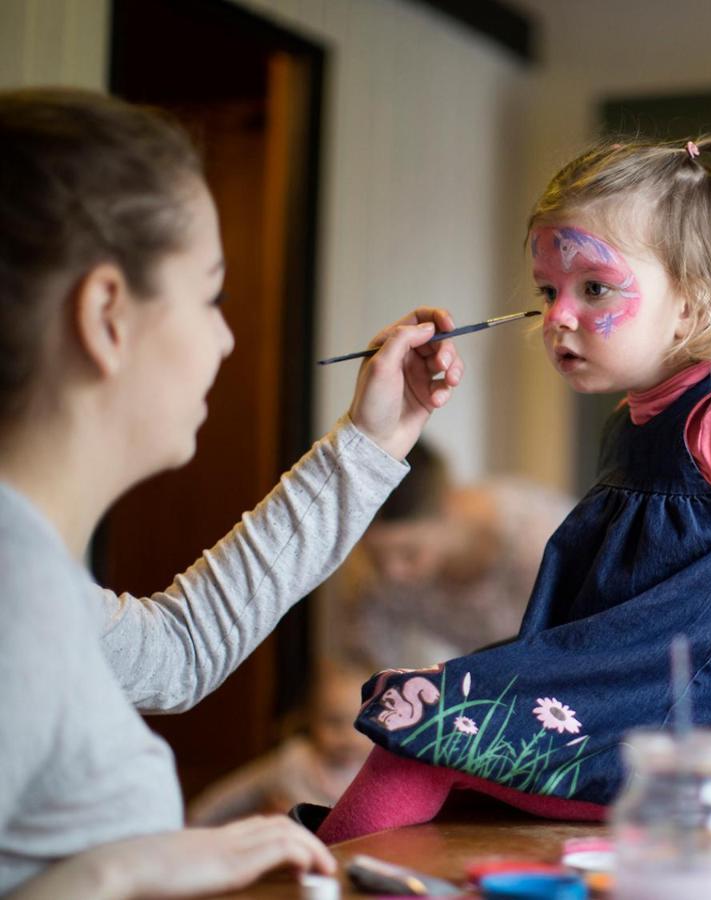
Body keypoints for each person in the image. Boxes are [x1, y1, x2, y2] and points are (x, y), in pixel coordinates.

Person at [317, 135, 711, 843]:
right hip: (638, 719)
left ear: (692, 302)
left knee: (427, 729)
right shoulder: (637, 419)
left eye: (594, 288)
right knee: (434, 754)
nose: (557, 317)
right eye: (548, 291)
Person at [0, 88, 463, 898]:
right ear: (108, 313)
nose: (225, 336)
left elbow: (178, 649)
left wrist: (373, 443)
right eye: (211, 294)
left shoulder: (33, 575)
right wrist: (129, 869)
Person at [316, 440, 574, 670]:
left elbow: (576, 650)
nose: (393, 573)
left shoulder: (540, 541)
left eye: (409, 552)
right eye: (374, 555)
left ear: (449, 505)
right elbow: (364, 663)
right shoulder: (378, 576)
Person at [188, 660, 373, 825]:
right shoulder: (293, 760)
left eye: (361, 724)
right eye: (333, 722)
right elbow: (240, 790)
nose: (349, 737)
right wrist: (196, 818)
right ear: (311, 719)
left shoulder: (377, 768)